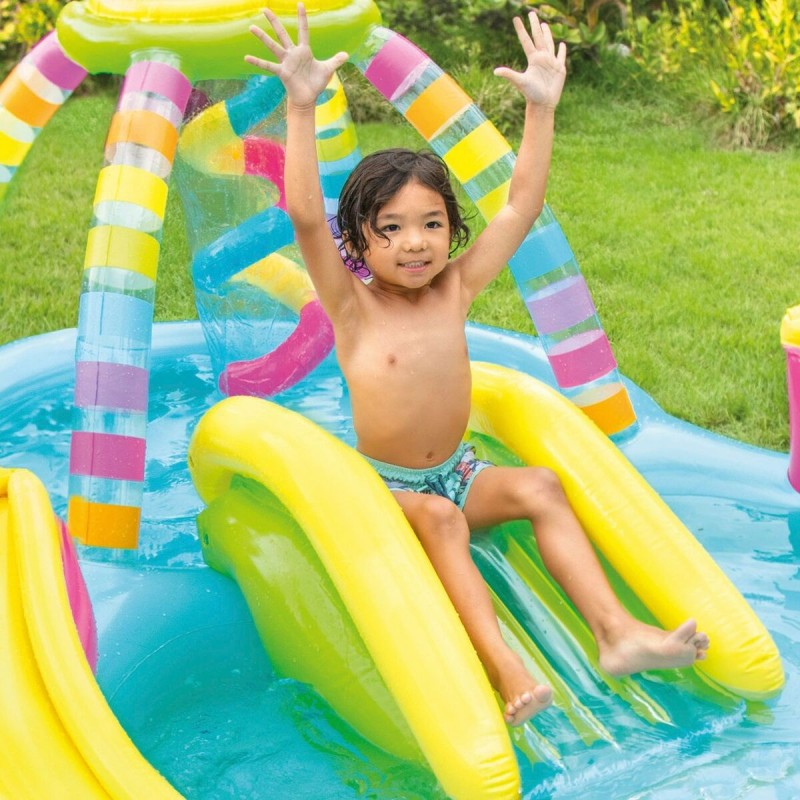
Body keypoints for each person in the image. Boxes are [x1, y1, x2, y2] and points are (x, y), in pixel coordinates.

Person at [246, 3, 710, 727]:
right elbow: (307, 215)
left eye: (432, 224)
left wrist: (541, 108)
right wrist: (300, 105)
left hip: (460, 472)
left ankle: (616, 634)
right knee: (440, 520)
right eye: (391, 229)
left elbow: (520, 208)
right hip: (391, 489)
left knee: (542, 485)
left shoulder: (455, 288)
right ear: (357, 244)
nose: (416, 242)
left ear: (451, 231)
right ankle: (503, 669)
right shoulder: (352, 307)